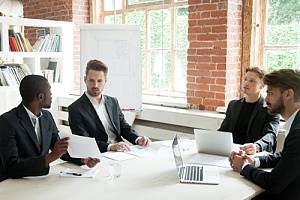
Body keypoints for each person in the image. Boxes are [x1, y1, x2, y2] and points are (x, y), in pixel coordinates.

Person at [0, 75, 99, 181]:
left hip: (42, 180)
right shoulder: (6, 122)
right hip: (14, 184)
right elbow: (12, 167)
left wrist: (83, 159)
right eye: (50, 91)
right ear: (40, 97)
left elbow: (59, 148)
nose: (51, 94)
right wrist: (50, 157)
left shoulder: (47, 117)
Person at [230, 69, 300, 199]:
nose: (266, 98)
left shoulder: (298, 132)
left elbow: (273, 183)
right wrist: (254, 161)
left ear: (288, 94)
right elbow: (286, 157)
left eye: (270, 93)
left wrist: (244, 167)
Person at [68, 59, 151, 153]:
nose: (95, 85)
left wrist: (138, 139)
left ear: (105, 81)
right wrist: (110, 146)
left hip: (121, 151)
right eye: (91, 80)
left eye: (99, 81)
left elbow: (124, 127)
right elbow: (84, 141)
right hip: (98, 154)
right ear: (84, 80)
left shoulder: (113, 102)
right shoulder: (75, 109)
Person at [219, 67, 280, 154]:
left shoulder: (271, 109)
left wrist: (257, 146)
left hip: (253, 155)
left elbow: (270, 135)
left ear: (262, 85)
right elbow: (223, 130)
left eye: (251, 81)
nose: (246, 83)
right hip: (231, 152)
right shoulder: (233, 105)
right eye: (245, 79)